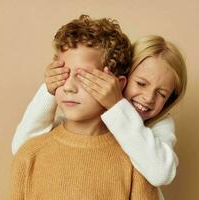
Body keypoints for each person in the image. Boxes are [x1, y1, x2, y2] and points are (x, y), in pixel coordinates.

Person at [12, 32, 187, 200]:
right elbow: (24, 149)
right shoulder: (74, 125)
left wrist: (116, 104)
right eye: (141, 83)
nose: (148, 98)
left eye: (162, 94)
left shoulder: (159, 125)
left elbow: (160, 172)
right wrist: (50, 89)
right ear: (119, 79)